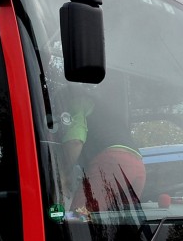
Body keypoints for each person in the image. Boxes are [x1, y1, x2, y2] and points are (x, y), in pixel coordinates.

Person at [61, 86, 146, 215]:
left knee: (80, 217)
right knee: (124, 220)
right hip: (138, 166)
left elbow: (75, 142)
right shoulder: (107, 111)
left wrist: (63, 174)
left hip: (113, 162)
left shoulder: (78, 102)